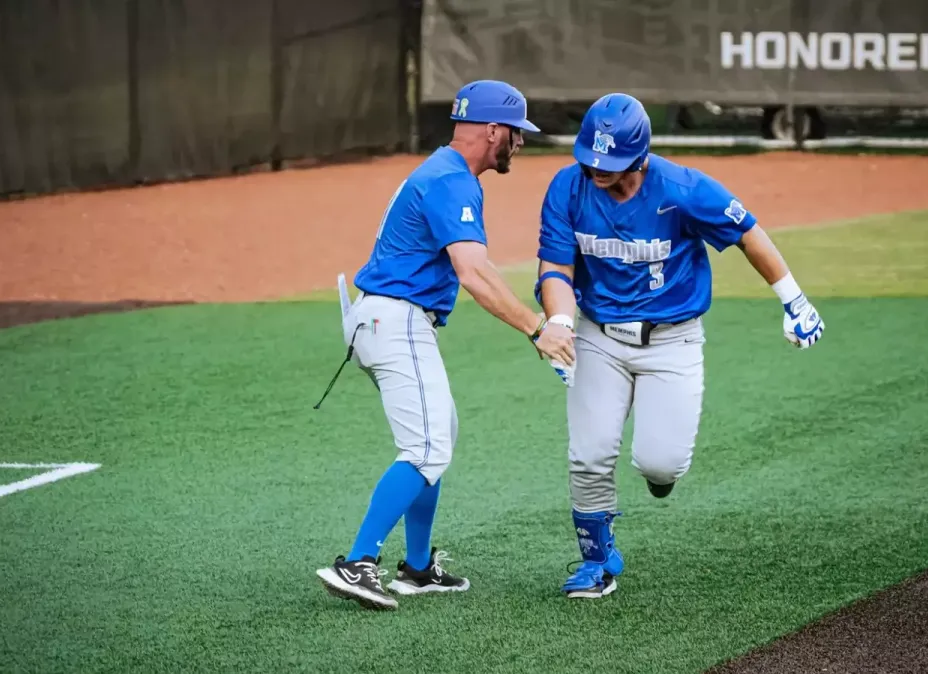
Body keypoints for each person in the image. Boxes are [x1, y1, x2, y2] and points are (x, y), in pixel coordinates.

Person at [532, 93, 825, 599]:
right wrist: (559, 321)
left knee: (660, 463)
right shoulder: (568, 187)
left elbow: (748, 233)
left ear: (641, 155)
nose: (598, 170)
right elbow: (556, 266)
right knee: (590, 453)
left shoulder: (683, 189)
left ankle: (659, 473)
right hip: (597, 335)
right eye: (592, 159)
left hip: (673, 339)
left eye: (611, 161)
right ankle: (597, 561)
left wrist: (794, 299)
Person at [315, 80, 576, 611]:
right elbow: (474, 272)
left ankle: (415, 568)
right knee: (427, 447)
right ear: (493, 130)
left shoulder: (443, 171)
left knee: (438, 436)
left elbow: (478, 269)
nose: (520, 143)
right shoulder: (451, 181)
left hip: (384, 318)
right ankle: (359, 562)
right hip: (396, 320)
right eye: (517, 133)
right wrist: (536, 328)